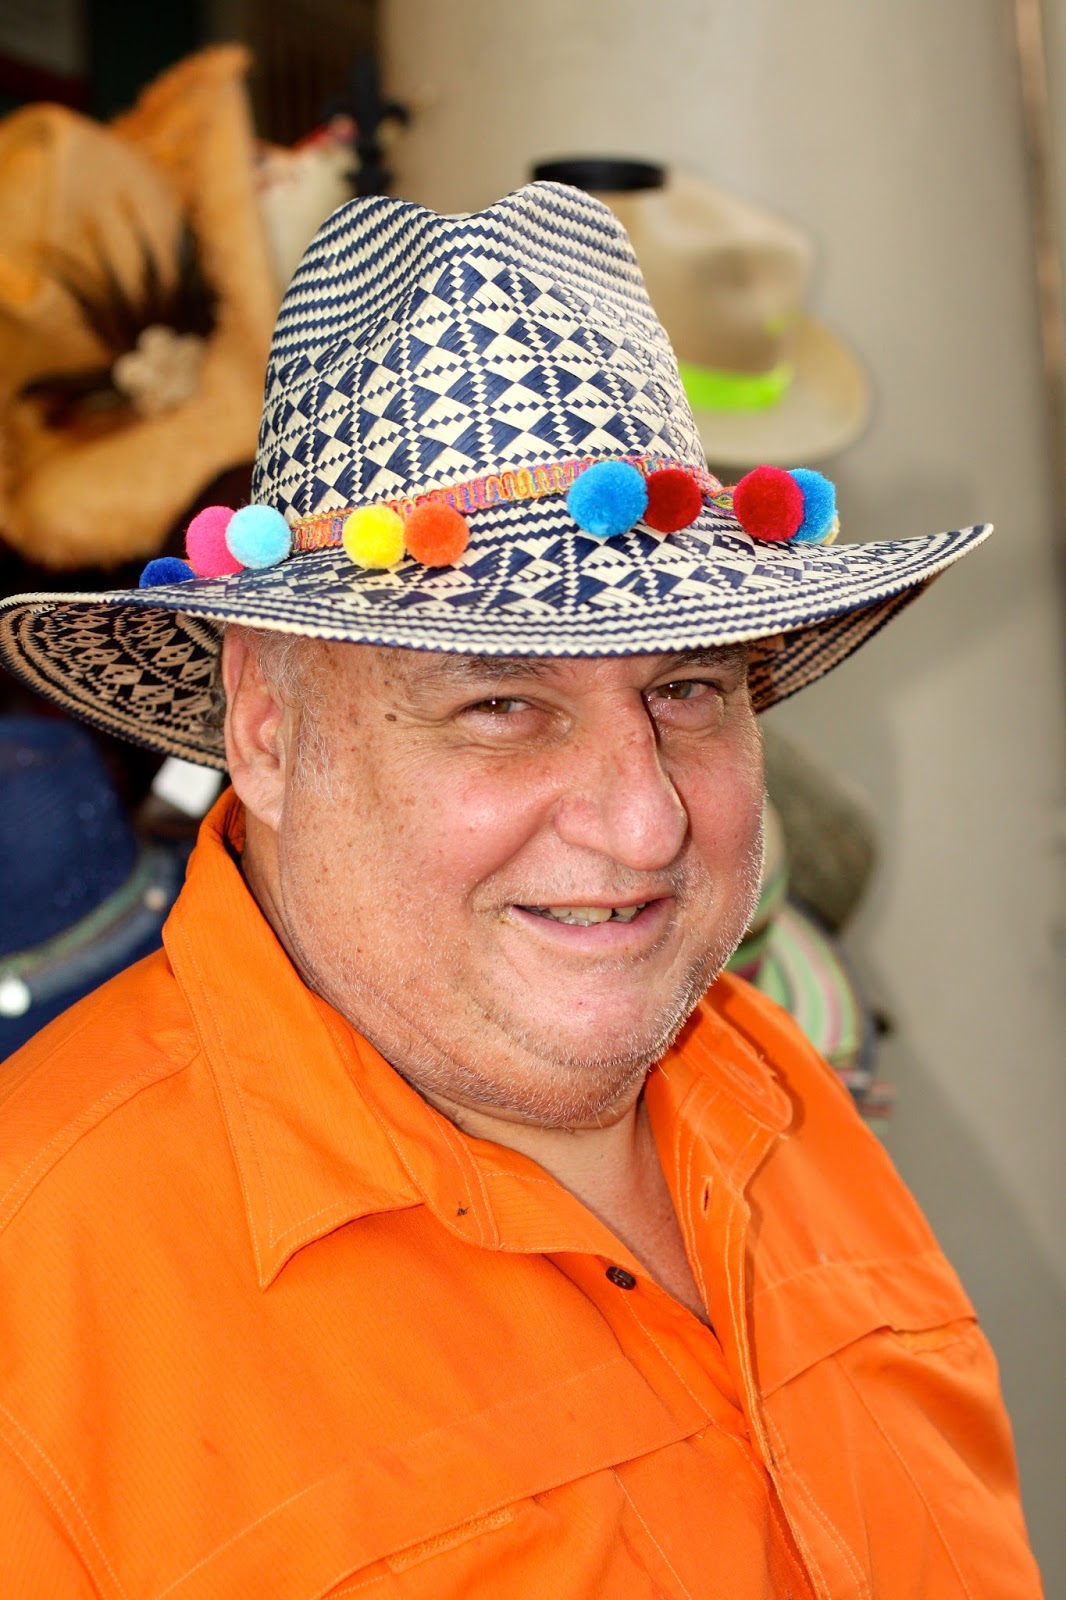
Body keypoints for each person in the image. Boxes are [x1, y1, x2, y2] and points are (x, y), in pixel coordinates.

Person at [0, 183, 1042, 1598]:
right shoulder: (39, 1294)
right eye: (499, 703)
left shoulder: (776, 1095)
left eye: (687, 688)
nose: (643, 820)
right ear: (267, 731)